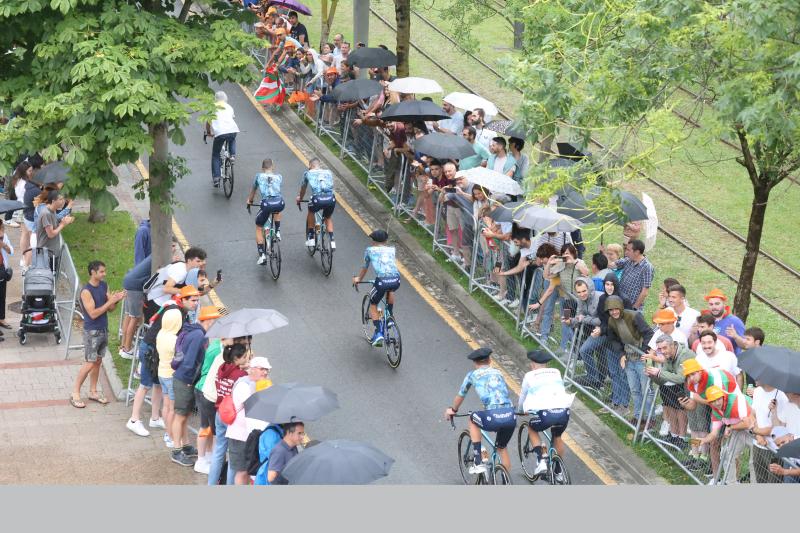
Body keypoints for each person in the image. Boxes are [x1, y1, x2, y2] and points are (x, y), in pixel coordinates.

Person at [444, 348, 517, 474]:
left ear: (475, 363)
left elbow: (461, 395)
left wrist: (453, 409)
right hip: (510, 415)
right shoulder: (498, 373)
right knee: (502, 447)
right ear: (490, 360)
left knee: (473, 419)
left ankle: (478, 462)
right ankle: (506, 481)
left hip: (492, 416)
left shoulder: (472, 375)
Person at [170, 306, 221, 468]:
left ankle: (184, 445)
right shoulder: (199, 336)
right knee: (180, 416)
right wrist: (190, 381)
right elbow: (190, 361)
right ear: (209, 320)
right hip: (185, 380)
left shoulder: (198, 332)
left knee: (184, 416)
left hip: (186, 379)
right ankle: (176, 450)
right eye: (216, 320)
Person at [70, 261, 126, 409]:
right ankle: (75, 392)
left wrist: (116, 300)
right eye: (101, 272)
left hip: (103, 329)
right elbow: (93, 314)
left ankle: (93, 391)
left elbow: (111, 308)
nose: (104, 274)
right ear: (93, 273)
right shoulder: (86, 291)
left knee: (98, 362)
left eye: (104, 271)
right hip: (92, 332)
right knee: (89, 362)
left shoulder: (104, 285)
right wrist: (110, 302)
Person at [517, 350, 575, 479]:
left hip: (546, 414)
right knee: (557, 436)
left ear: (532, 364)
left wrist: (520, 410)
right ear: (546, 364)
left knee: (532, 427)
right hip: (564, 412)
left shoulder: (529, 376)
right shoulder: (556, 372)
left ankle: (541, 461)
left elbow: (523, 396)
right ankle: (558, 472)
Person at [679, 358, 739, 475]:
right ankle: (716, 476)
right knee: (714, 443)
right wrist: (685, 404)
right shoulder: (691, 382)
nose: (691, 378)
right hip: (717, 411)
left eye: (693, 374)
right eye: (688, 375)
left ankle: (733, 479)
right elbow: (693, 405)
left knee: (732, 448)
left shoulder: (715, 379)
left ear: (700, 371)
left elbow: (721, 402)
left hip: (733, 409)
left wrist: (729, 425)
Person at [604, 295, 654, 426]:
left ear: (620, 308)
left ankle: (650, 418)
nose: (614, 312)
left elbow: (649, 333)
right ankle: (638, 417)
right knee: (634, 390)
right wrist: (621, 354)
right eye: (611, 310)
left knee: (646, 390)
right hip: (628, 358)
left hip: (641, 358)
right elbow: (613, 339)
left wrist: (643, 351)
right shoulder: (611, 321)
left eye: (616, 309)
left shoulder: (634, 316)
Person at [208, 343, 250, 485]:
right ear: (237, 359)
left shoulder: (222, 368)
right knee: (234, 458)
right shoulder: (241, 375)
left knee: (219, 451)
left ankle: (211, 484)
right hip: (233, 418)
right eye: (244, 357)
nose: (246, 359)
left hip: (220, 412)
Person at [227, 356, 272, 485]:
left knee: (248, 470)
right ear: (253, 369)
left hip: (250, 435)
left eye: (267, 370)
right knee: (242, 471)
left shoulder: (258, 384)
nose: (265, 373)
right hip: (240, 435)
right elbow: (254, 406)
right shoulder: (243, 385)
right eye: (262, 369)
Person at [643, 335, 694, 447]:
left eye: (664, 348)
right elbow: (663, 378)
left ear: (672, 345)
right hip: (674, 388)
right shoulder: (668, 354)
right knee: (671, 408)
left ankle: (683, 439)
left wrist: (659, 373)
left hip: (691, 390)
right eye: (660, 349)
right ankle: (674, 435)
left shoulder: (685, 354)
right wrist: (652, 375)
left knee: (682, 413)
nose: (662, 351)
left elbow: (680, 377)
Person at [352, 230, 400, 347]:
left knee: (373, 303)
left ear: (373, 241)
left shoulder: (369, 250)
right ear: (386, 241)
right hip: (396, 280)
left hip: (382, 281)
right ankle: (389, 317)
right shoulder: (391, 249)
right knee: (390, 290)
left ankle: (379, 333)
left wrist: (358, 278)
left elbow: (365, 268)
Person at [699, 385, 754, 485]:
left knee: (753, 462)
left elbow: (748, 423)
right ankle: (731, 483)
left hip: (755, 429)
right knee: (727, 455)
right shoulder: (716, 409)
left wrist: (730, 427)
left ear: (723, 397)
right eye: (713, 401)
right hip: (739, 429)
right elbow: (714, 433)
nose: (717, 403)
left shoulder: (735, 402)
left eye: (718, 399)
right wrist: (704, 440)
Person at [144, 246, 207, 320]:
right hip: (156, 302)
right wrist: (184, 291)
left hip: (164, 303)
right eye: (198, 261)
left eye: (202, 261)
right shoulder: (180, 271)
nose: (201, 264)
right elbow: (166, 289)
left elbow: (199, 290)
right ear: (189, 261)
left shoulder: (188, 270)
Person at [247, 158, 285, 265]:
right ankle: (277, 231)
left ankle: (262, 255)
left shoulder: (258, 176)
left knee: (259, 226)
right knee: (277, 209)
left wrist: (250, 201)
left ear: (262, 168)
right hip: (279, 202)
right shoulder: (279, 177)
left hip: (266, 204)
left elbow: (253, 190)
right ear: (273, 167)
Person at [297, 158, 336, 249]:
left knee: (311, 211)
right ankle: (332, 240)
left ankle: (311, 237)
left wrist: (300, 198)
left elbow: (303, 189)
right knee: (328, 217)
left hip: (317, 199)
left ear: (310, 165)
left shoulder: (308, 173)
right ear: (319, 165)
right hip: (331, 198)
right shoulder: (328, 172)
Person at [206, 90, 240, 188]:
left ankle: (216, 178)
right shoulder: (229, 107)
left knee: (216, 154)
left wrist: (209, 132)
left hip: (220, 133)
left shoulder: (212, 107)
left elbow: (208, 123)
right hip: (232, 129)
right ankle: (232, 155)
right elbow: (231, 118)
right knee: (232, 139)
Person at [36, 189, 74, 269]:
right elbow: (51, 234)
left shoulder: (52, 210)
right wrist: (63, 224)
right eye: (60, 199)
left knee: (53, 277)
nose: (63, 201)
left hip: (52, 252)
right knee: (49, 279)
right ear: (53, 201)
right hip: (46, 254)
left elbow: (55, 223)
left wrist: (65, 220)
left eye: (63, 199)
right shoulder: (46, 213)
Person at [613, 239, 654, 311]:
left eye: (628, 250)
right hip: (620, 302)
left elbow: (644, 292)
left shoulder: (647, 267)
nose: (626, 253)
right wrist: (603, 254)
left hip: (631, 307)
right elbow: (612, 265)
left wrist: (634, 308)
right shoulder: (628, 260)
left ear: (637, 252)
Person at [702, 288, 745, 354]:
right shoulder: (705, 320)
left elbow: (745, 346)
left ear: (724, 304)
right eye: (711, 304)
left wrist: (736, 337)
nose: (714, 307)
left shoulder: (735, 321)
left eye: (717, 304)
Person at [0, 219, 14, 332]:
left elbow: (11, 251)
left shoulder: (4, 237)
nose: (2, 232)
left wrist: (3, 245)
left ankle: (1, 319)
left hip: (1, 268)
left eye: (2, 229)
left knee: (2, 295)